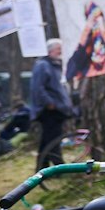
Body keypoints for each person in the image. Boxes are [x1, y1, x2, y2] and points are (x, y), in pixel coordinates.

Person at [28, 38, 76, 170]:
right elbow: (38, 88)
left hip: (58, 110)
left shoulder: (56, 66)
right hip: (49, 111)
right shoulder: (42, 65)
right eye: (58, 49)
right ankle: (58, 168)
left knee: (47, 140)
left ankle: (42, 168)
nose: (61, 52)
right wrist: (50, 103)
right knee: (53, 140)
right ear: (50, 51)